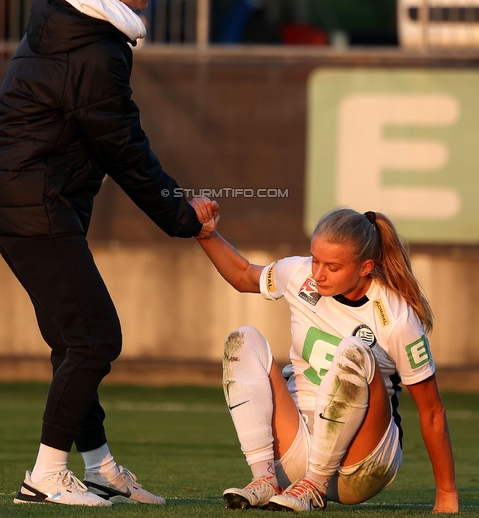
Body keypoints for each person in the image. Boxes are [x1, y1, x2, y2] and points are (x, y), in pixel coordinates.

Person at [0, 0, 218, 507]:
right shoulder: (95, 51)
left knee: (72, 340)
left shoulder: (69, 18)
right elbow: (124, 149)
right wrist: (183, 215)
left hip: (18, 190)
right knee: (95, 339)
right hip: (32, 196)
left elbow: (111, 144)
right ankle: (45, 476)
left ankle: (100, 467)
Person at [193, 206, 459, 513]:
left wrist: (446, 492)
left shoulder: (397, 318)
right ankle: (264, 479)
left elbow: (432, 411)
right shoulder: (299, 274)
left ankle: (315, 487)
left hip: (360, 466)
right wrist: (206, 234)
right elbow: (242, 275)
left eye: (332, 267)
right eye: (315, 259)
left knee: (354, 351)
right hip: (297, 454)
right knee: (243, 339)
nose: (318, 273)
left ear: (365, 267)